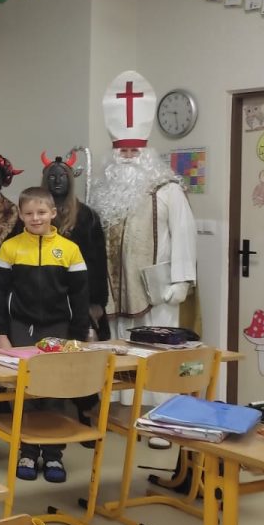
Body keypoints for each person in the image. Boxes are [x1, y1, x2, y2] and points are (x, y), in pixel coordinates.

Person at [0, 187, 89, 484]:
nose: (36, 218)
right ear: (20, 215)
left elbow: (80, 297)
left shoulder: (70, 249)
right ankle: (28, 452)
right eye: (29, 213)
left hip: (59, 329)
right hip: (21, 328)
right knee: (26, 391)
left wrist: (77, 336)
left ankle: (54, 454)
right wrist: (0, 334)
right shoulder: (10, 248)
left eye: (41, 212)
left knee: (55, 391)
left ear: (53, 213)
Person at [90, 71, 196, 340]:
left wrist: (182, 280)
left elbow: (184, 234)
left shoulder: (168, 189)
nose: (127, 157)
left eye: (133, 151)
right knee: (117, 349)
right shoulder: (103, 194)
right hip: (114, 291)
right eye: (122, 151)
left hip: (157, 290)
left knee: (154, 348)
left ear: (146, 154)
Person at [39, 151, 109, 340]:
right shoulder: (35, 217)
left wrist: (97, 302)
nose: (57, 181)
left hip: (81, 298)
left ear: (70, 180)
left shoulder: (88, 217)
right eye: (52, 177)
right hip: (45, 299)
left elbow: (99, 263)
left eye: (62, 176)